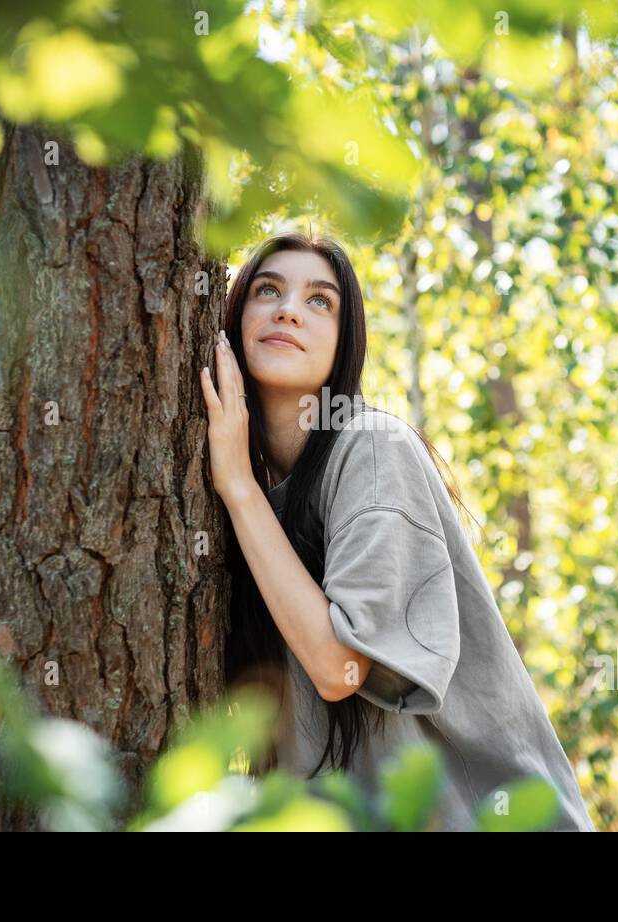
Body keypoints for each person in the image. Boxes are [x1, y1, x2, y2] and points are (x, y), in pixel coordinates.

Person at [199, 228, 595, 832]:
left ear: (344, 342)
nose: (287, 310)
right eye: (268, 290)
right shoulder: (247, 499)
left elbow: (341, 670)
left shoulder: (373, 449)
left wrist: (238, 486)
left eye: (319, 301)